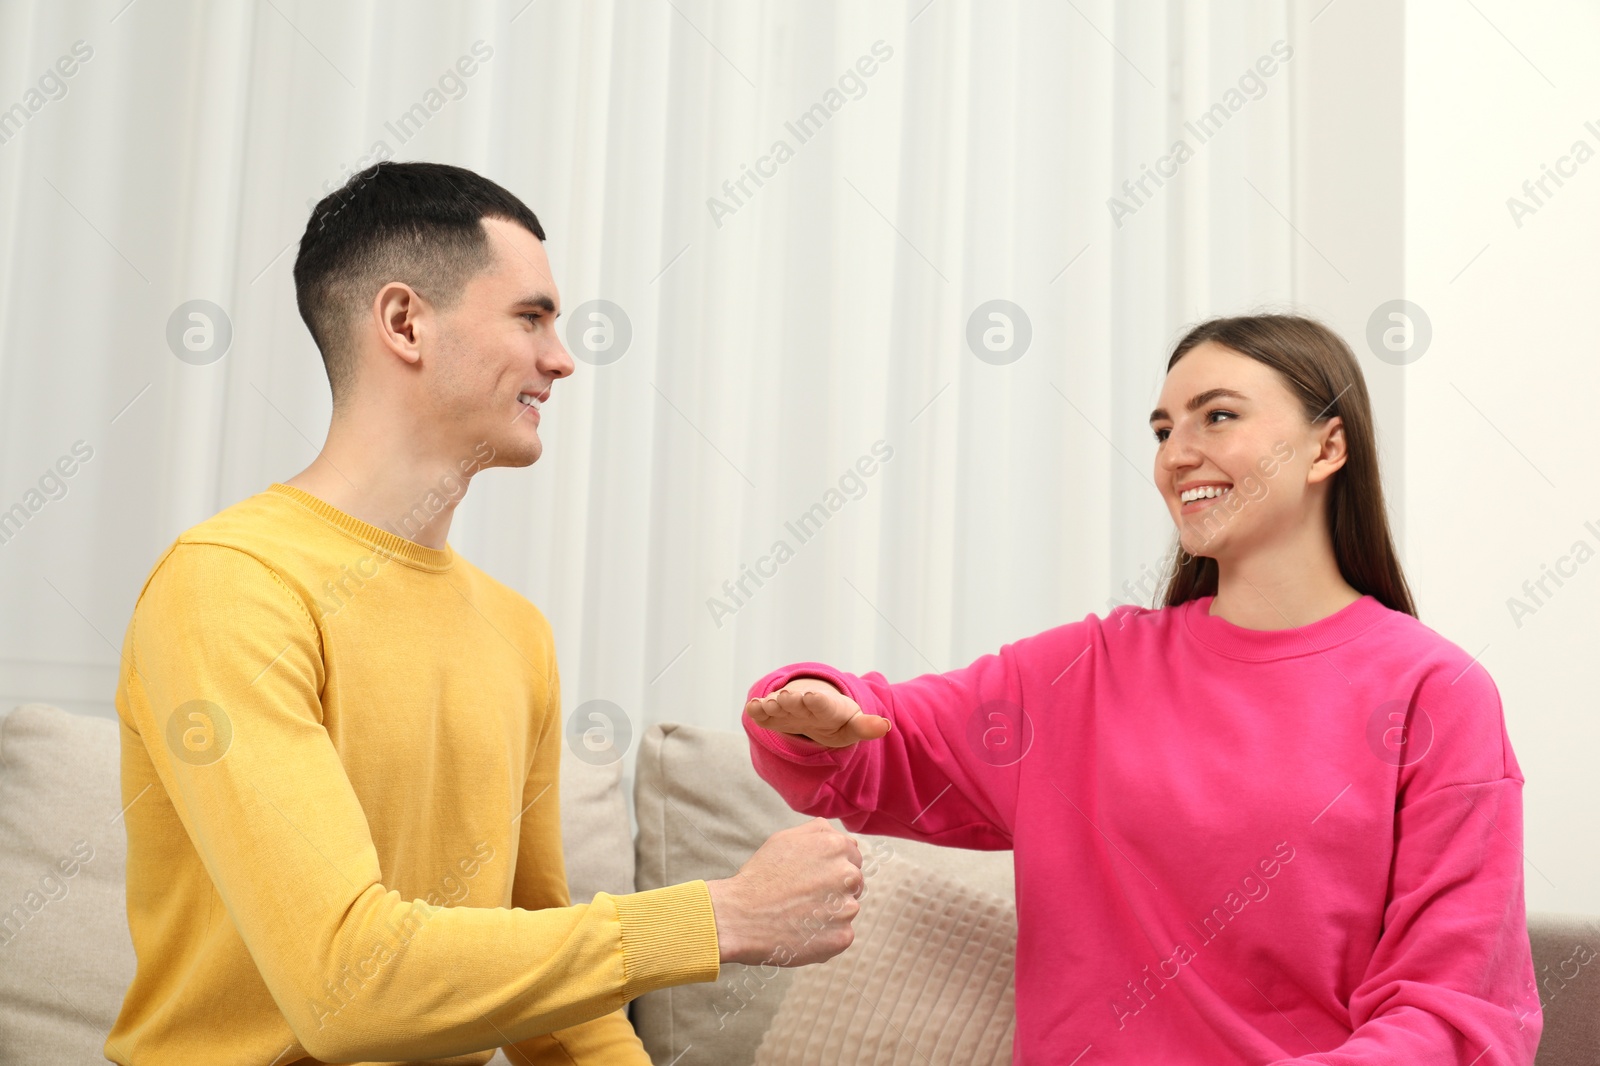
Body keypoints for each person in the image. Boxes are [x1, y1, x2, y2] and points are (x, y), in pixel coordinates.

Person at [107, 161, 864, 1066]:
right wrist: (720, 917)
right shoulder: (231, 586)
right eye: (531, 316)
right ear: (404, 323)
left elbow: (549, 991)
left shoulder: (515, 632)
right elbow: (348, 987)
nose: (562, 357)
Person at [742, 314, 1543, 1064]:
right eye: (1163, 430)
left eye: (1216, 417)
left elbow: (1457, 1004)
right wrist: (814, 708)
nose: (1175, 454)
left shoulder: (1436, 692)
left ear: (1327, 448)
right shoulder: (1083, 673)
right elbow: (888, 738)